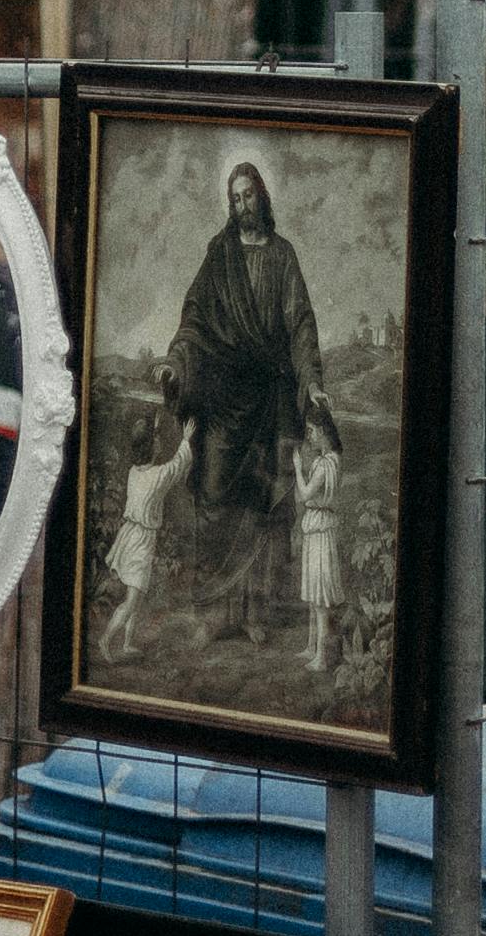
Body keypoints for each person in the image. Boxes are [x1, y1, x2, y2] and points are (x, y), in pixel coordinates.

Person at [158, 160, 328, 644]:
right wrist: (175, 362)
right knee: (213, 499)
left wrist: (311, 380)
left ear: (262, 196)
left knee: (260, 506)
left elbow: (301, 324)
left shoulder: (282, 255)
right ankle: (214, 614)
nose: (242, 205)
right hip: (221, 401)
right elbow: (194, 316)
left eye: (249, 195)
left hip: (268, 400)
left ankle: (255, 613)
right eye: (235, 198)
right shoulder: (220, 254)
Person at [103, 401, 199, 656]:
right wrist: (186, 439)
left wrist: (154, 425)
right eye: (155, 441)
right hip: (140, 541)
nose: (160, 443)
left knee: (139, 594)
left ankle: (126, 644)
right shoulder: (158, 476)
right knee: (133, 598)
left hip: (131, 536)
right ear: (150, 448)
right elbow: (178, 464)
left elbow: (153, 450)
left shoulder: (136, 471)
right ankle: (106, 640)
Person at [292, 395, 345, 673]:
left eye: (311, 432)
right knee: (314, 594)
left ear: (323, 431)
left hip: (320, 529)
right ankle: (312, 647)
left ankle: (322, 657)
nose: (309, 437)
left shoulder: (325, 465)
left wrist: (297, 468)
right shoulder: (332, 459)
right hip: (318, 527)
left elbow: (303, 495)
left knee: (320, 595)